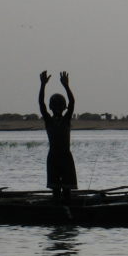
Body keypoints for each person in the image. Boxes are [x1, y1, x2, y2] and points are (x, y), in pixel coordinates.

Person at [39, 70, 77, 200]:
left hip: (65, 157)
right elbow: (41, 105)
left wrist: (66, 86)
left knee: (67, 191)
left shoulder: (65, 120)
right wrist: (43, 85)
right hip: (55, 158)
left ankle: (66, 209)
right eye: (55, 106)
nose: (57, 109)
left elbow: (72, 103)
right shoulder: (49, 121)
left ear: (63, 108)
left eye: (59, 106)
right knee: (56, 191)